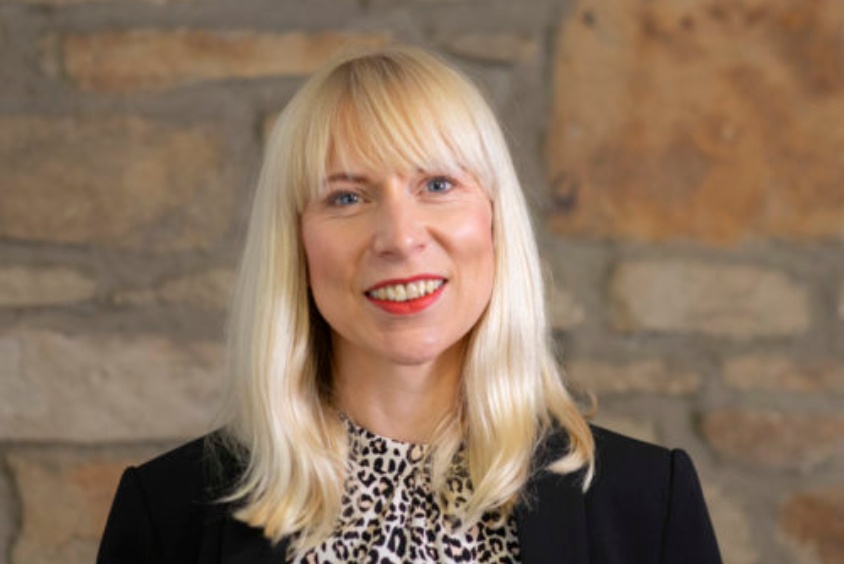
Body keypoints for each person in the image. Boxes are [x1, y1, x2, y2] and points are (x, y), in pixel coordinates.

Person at [97, 45, 722, 563]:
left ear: (494, 220)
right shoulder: (165, 515)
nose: (400, 238)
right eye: (346, 197)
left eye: (438, 184)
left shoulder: (648, 504)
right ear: (295, 243)